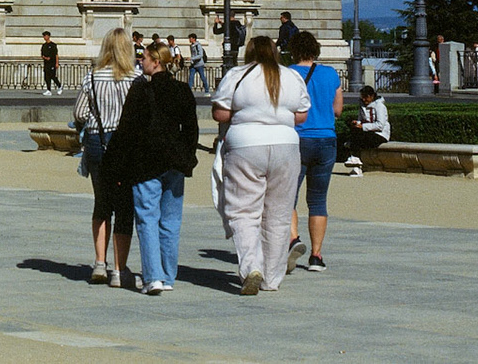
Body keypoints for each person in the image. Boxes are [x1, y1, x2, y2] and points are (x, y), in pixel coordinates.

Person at [212, 34, 310, 294]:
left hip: (245, 144)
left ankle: (251, 266)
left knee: (244, 210)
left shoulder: (237, 75)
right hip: (286, 145)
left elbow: (220, 113)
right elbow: (301, 115)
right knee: (279, 214)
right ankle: (272, 278)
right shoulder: (291, 76)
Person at [108, 40, 200, 295]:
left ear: (156, 62)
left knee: (147, 218)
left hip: (145, 161)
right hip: (175, 161)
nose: (141, 61)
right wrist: (188, 157)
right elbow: (191, 129)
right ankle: (168, 275)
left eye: (145, 58)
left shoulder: (141, 90)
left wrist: (116, 165)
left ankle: (153, 277)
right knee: (171, 220)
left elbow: (126, 130)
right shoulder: (182, 89)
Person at [74, 28, 138, 287]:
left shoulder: (92, 77)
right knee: (124, 207)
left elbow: (79, 113)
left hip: (97, 142)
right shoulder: (135, 78)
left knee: (102, 202)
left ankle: (100, 263)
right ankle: (119, 270)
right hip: (126, 144)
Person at [286, 31, 342, 272]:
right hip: (326, 139)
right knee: (318, 200)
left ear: (293, 51)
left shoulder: (288, 74)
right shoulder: (330, 74)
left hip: (298, 139)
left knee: (288, 196)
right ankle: (316, 256)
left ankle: (293, 240)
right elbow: (338, 110)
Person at [340, 85, 391, 175]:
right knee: (355, 132)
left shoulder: (380, 106)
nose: (364, 99)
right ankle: (356, 165)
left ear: (372, 96)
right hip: (367, 133)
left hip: (380, 135)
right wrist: (357, 123)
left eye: (366, 97)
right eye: (362, 97)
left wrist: (363, 126)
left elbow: (380, 125)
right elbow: (361, 120)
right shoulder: (362, 106)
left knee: (358, 137)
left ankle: (355, 158)